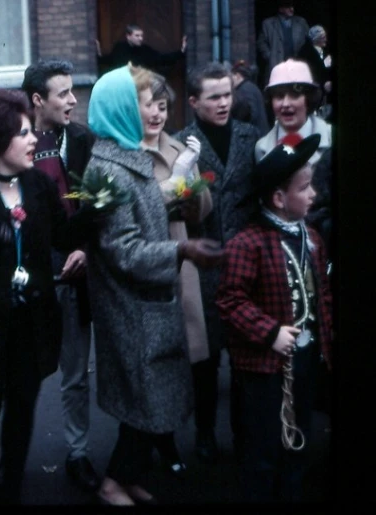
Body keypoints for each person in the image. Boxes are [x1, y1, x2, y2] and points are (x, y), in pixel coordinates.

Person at [86, 64, 223, 506]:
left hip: (147, 303)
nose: (151, 110)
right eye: (141, 102)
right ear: (121, 108)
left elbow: (153, 204)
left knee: (147, 402)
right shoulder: (105, 169)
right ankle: (112, 484)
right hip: (132, 307)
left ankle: (126, 477)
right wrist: (180, 252)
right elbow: (123, 251)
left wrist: (184, 178)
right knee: (144, 402)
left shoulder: (124, 155)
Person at [0, 88, 94, 504]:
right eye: (24, 133)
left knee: (21, 411)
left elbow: (63, 235)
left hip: (32, 323)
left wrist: (93, 216)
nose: (34, 140)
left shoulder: (38, 184)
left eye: (32, 131)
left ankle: (10, 487)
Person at [216, 133, 332, 502]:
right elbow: (230, 300)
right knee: (263, 449)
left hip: (306, 360)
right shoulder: (246, 243)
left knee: (298, 441)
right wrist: (269, 332)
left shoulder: (311, 236)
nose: (313, 194)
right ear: (280, 199)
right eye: (306, 187)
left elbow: (322, 295)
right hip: (264, 368)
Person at [173, 61, 260, 465]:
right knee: (205, 360)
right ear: (194, 102)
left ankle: (246, 434)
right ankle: (205, 434)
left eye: (228, 94)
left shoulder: (249, 137)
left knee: (245, 358)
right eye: (214, 97)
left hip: (246, 265)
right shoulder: (181, 145)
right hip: (204, 265)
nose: (224, 103)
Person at [20, 58, 98, 493]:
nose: (72, 100)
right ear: (38, 100)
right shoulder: (15, 141)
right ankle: (9, 457)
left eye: (73, 91)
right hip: (29, 278)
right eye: (63, 93)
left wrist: (84, 249)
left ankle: (78, 451)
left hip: (74, 275)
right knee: (23, 373)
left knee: (75, 371)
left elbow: (95, 211)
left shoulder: (84, 140)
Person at [140, 72, 214, 476]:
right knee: (160, 358)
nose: (157, 113)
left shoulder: (175, 146)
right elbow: (144, 206)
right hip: (151, 261)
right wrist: (179, 179)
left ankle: (200, 436)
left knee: (196, 353)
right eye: (149, 105)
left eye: (163, 105)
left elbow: (203, 209)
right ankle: (162, 443)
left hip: (182, 256)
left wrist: (193, 187)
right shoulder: (128, 151)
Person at [255, 59, 331, 166]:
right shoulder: (261, 148)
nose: (285, 104)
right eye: (279, 96)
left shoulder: (331, 137)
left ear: (308, 99)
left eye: (294, 95)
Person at [256, 0, 310, 87]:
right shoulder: (268, 24)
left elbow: (308, 41)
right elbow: (261, 43)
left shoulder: (301, 22)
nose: (291, 9)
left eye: (292, 7)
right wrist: (269, 56)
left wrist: (304, 56)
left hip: (296, 65)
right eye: (288, 7)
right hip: (276, 64)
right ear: (281, 9)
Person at [96, 24, 187, 73]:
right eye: (137, 35)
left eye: (141, 36)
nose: (141, 38)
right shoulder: (120, 48)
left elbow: (161, 58)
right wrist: (98, 53)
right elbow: (110, 60)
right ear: (128, 36)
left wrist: (181, 52)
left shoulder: (145, 50)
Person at [230, 60, 271, 137]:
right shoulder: (251, 87)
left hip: (255, 136)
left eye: (232, 76)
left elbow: (251, 115)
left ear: (238, 75)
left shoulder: (243, 91)